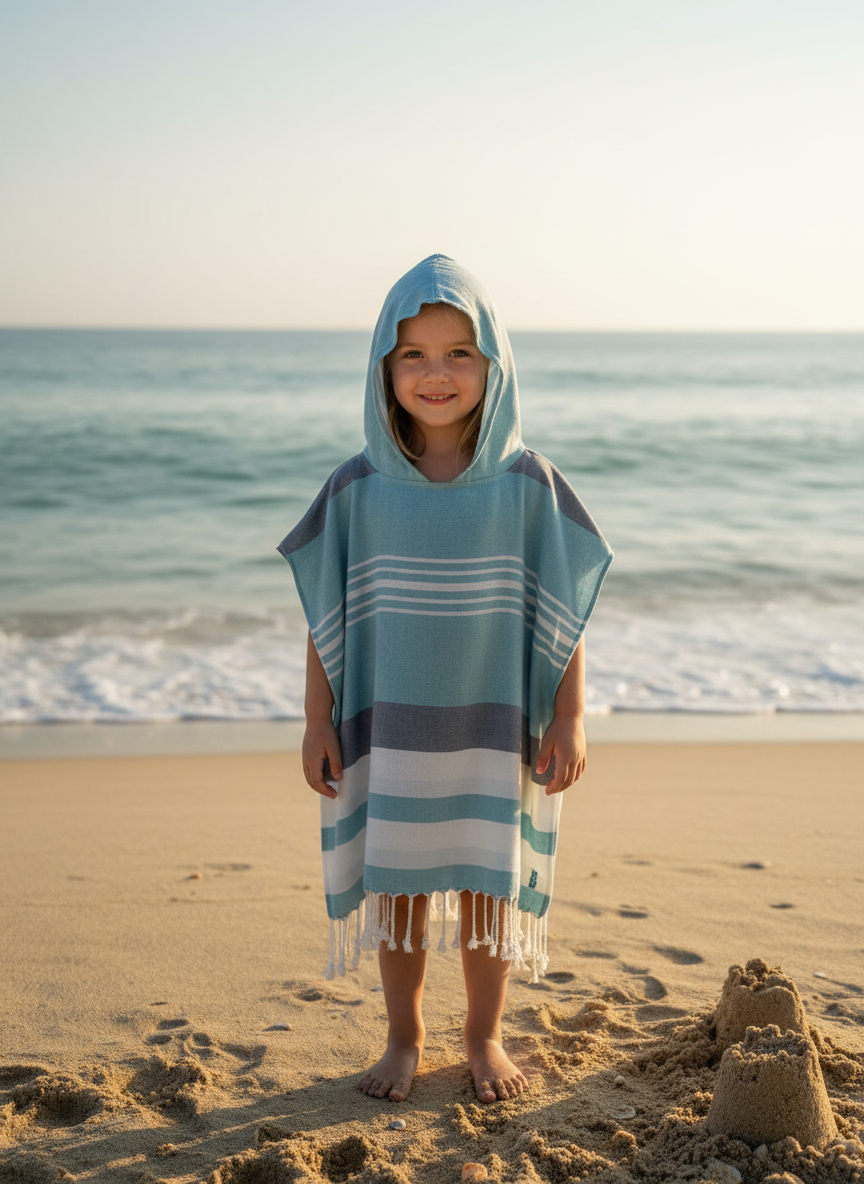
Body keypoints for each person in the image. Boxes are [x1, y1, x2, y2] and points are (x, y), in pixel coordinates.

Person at [278, 255, 612, 1104]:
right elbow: (327, 617)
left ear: (494, 363)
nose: (436, 373)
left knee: (486, 888)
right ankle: (404, 1037)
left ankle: (482, 1035)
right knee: (399, 891)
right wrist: (317, 721)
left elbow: (560, 611)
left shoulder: (526, 485)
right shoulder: (358, 488)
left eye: (459, 352)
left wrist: (570, 717)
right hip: (392, 727)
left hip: (493, 726)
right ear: (383, 369)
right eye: (414, 355)